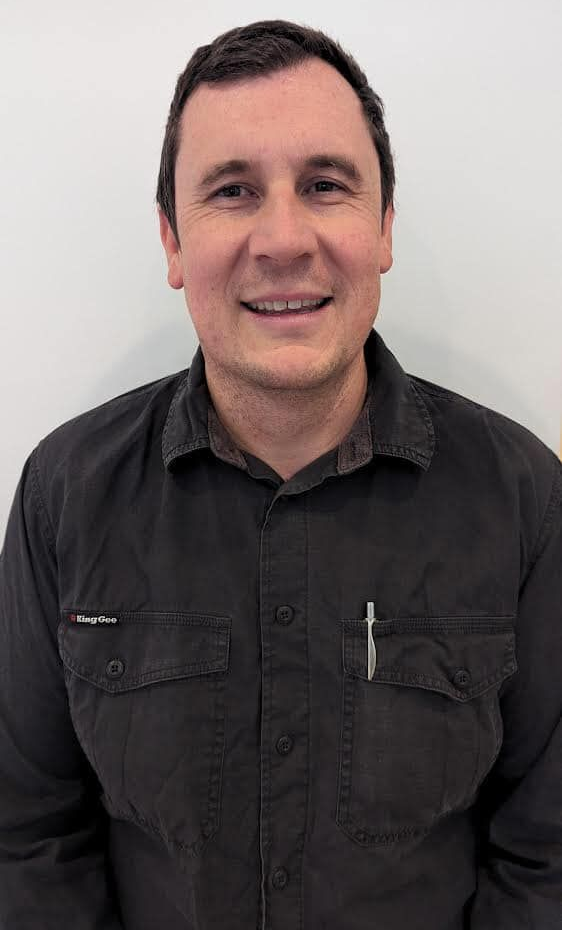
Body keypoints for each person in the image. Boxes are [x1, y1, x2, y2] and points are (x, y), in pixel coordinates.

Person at [0, 18, 560, 930]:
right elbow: (27, 837)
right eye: (232, 190)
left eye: (326, 185)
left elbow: (547, 854)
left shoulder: (523, 498)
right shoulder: (65, 492)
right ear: (173, 243)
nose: (283, 237)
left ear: (382, 229)